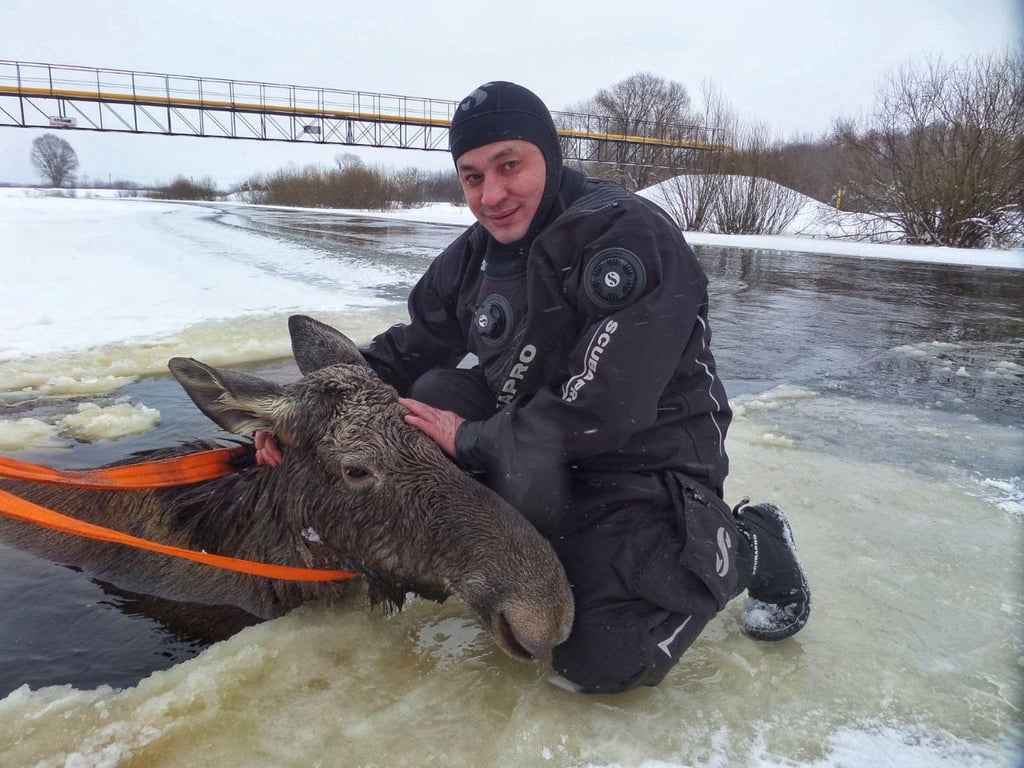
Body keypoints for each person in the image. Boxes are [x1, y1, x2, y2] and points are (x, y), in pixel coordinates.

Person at [255, 81, 811, 694]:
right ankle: (523, 542)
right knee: (430, 389)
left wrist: (468, 440)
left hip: (645, 463)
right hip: (532, 452)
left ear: (550, 154)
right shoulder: (473, 256)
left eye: (509, 166)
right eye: (471, 177)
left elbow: (609, 409)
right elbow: (409, 350)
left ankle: (747, 542)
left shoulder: (627, 238)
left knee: (605, 661)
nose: (490, 196)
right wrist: (299, 417)